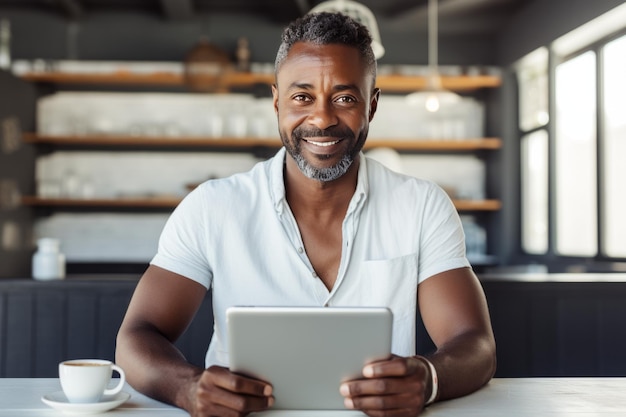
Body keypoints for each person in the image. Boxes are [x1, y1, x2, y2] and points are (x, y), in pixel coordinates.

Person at [116, 11, 496, 417]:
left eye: (345, 98)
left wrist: (429, 378)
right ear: (277, 101)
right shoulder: (212, 206)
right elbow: (136, 337)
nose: (322, 118)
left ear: (372, 104)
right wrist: (186, 388)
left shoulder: (422, 205)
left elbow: (475, 344)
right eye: (302, 97)